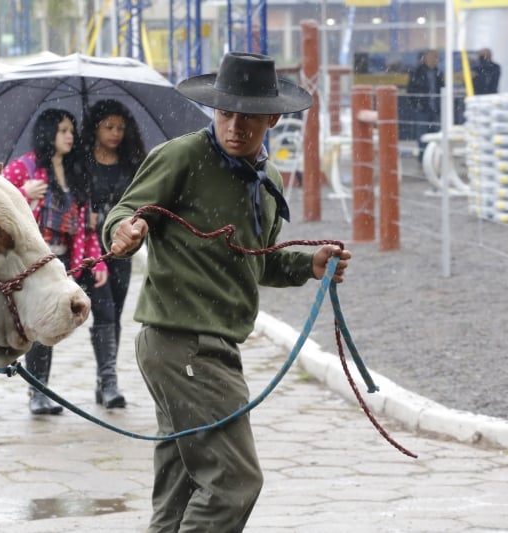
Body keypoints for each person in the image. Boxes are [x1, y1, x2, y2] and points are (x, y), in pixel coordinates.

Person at [102, 52, 352, 532]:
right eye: (226, 113)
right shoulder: (180, 157)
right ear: (213, 111)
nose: (235, 126)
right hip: (182, 343)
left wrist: (310, 265)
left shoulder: (268, 180)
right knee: (234, 482)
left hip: (214, 346)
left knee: (179, 491)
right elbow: (126, 212)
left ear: (272, 118)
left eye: (249, 116)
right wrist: (124, 230)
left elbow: (258, 261)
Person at [3, 108, 107, 415]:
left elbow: (86, 226)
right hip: (34, 263)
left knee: (86, 316)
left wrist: (96, 262)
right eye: (63, 130)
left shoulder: (75, 171)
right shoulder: (25, 168)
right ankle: (38, 392)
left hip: (66, 261)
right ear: (49, 133)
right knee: (42, 322)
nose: (70, 136)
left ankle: (105, 381)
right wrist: (23, 193)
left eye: (72, 131)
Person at [77, 99, 148, 409]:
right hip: (87, 250)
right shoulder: (78, 162)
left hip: (120, 251)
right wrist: (86, 214)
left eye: (120, 127)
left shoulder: (132, 162)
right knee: (103, 310)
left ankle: (104, 380)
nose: (116, 133)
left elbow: (140, 202)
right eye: (109, 127)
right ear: (95, 128)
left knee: (114, 314)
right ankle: (109, 382)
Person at [406, 49, 444, 163]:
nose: (435, 60)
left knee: (436, 134)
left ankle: (434, 158)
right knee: (422, 134)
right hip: (423, 109)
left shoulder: (438, 73)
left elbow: (441, 89)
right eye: (433, 57)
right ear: (426, 58)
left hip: (436, 109)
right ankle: (423, 158)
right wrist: (417, 105)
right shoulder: (417, 73)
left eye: (437, 58)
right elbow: (411, 91)